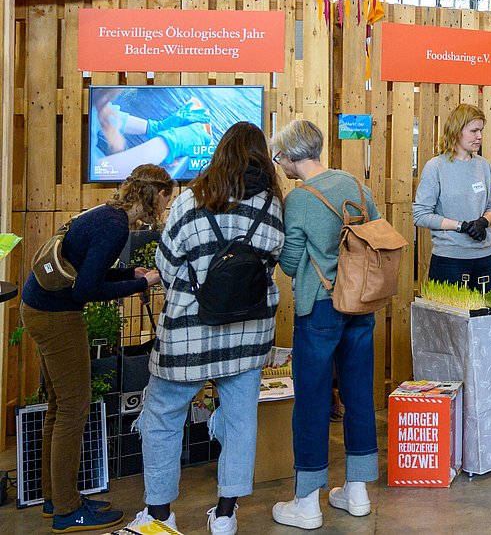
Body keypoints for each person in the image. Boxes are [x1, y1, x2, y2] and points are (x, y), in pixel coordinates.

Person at [128, 122, 285, 535]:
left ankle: (160, 517)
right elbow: (270, 265)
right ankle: (226, 515)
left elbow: (165, 265)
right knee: (239, 420)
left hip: (187, 332)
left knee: (162, 416)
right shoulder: (272, 206)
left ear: (221, 154)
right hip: (248, 335)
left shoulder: (190, 200)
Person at [20, 165, 172, 532]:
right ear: (154, 196)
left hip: (39, 307)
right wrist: (143, 283)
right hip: (57, 316)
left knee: (59, 406)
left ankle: (57, 498)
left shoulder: (107, 214)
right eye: (167, 199)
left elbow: (87, 271)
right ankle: (67, 511)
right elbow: (85, 290)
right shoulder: (115, 226)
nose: (167, 208)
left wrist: (128, 273)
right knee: (74, 409)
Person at [269, 120, 380, 529]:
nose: (279, 165)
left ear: (295, 156)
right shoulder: (357, 187)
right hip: (362, 305)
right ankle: (358, 492)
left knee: (313, 402)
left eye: (280, 157)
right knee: (358, 397)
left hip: (319, 307)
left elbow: (290, 262)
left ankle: (307, 502)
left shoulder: (299, 200)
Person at [413, 104, 491, 291]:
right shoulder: (436, 167)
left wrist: (483, 222)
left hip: (485, 257)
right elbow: (420, 215)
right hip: (450, 260)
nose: (479, 136)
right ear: (456, 131)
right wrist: (460, 226)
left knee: (482, 318)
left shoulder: (484, 166)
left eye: (481, 130)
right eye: (474, 130)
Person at [90, 88, 214, 179]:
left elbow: (98, 110)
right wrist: (169, 144)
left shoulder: (94, 99)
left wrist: (152, 127)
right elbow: (99, 171)